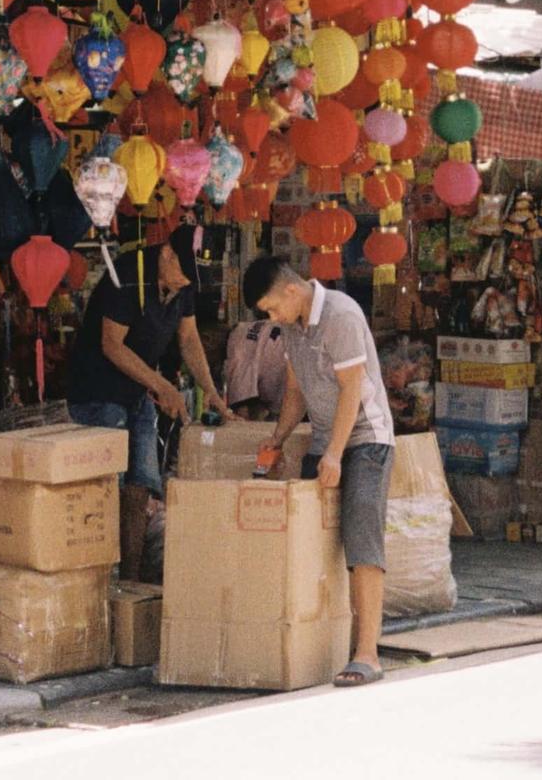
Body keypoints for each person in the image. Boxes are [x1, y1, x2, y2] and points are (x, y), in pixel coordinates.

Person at [244, 255, 395, 689]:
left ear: (292, 291)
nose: (272, 318)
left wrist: (333, 454)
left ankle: (368, 653)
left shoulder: (342, 315)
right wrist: (278, 435)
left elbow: (352, 391)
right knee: (315, 542)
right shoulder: (292, 328)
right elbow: (296, 390)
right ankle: (324, 642)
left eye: (272, 308)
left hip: (367, 439)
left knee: (362, 539)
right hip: (325, 439)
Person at [69, 223, 228, 580]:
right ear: (167, 252)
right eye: (181, 276)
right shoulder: (127, 274)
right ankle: (101, 577)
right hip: (98, 391)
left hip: (137, 391)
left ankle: (131, 578)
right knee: (109, 484)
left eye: (189, 281)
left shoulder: (183, 282)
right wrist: (161, 386)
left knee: (142, 481)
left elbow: (188, 339)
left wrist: (212, 391)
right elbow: (111, 344)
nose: (183, 284)